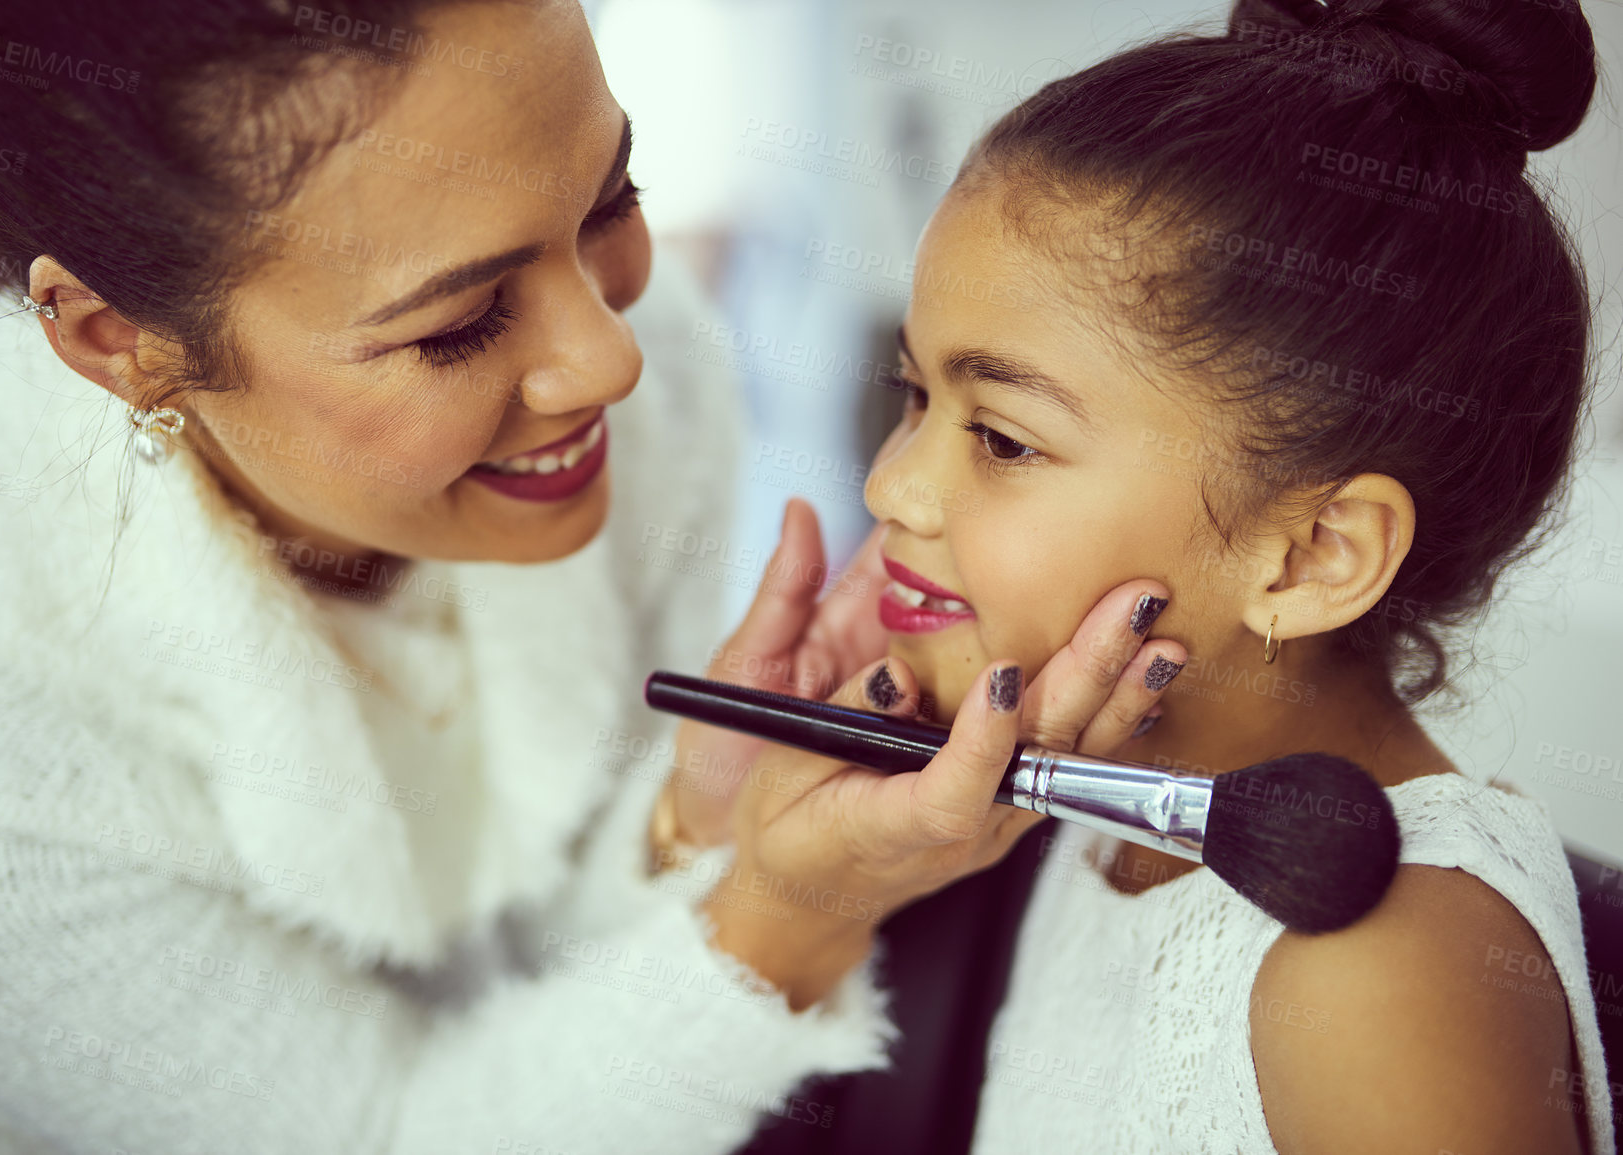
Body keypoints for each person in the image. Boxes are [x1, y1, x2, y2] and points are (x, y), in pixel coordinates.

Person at [0, 2, 1188, 1152]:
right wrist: (784, 912)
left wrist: (694, 815)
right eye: (457, 326)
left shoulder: (635, 353)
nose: (610, 356)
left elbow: (550, 960)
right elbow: (396, 1129)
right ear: (117, 338)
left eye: (609, 199)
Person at [687, 0, 1614, 1151]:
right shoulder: (1092, 812)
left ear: (1314, 555)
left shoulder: (1387, 956)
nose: (891, 491)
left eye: (1004, 439)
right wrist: (716, 831)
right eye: (916, 398)